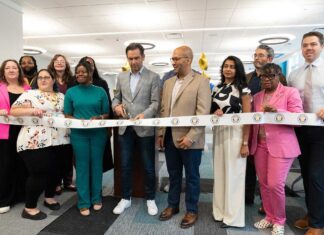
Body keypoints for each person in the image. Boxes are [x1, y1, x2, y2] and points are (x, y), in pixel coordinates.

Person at [157, 46, 211, 228]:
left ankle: (192, 210)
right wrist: (160, 132)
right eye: (172, 58)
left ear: (188, 60)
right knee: (173, 175)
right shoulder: (168, 83)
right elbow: (164, 110)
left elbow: (203, 113)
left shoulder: (201, 81)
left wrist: (192, 136)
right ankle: (172, 205)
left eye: (177, 58)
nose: (173, 62)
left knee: (192, 177)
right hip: (170, 137)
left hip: (190, 140)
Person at [10, 69, 69, 220]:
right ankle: (29, 208)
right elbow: (13, 110)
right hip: (34, 141)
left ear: (53, 79)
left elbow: (67, 114)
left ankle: (49, 197)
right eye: (40, 77)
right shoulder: (30, 94)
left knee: (56, 171)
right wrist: (32, 110)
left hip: (60, 140)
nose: (43, 80)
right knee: (39, 173)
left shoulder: (62, 96)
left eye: (47, 77)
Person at [251, 63, 303, 235]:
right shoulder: (257, 96)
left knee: (275, 185)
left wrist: (278, 111)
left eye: (270, 76)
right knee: (264, 184)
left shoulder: (290, 92)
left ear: (278, 76)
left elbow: (298, 118)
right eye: (263, 77)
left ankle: (280, 220)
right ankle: (269, 216)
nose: (266, 79)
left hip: (281, 146)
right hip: (260, 145)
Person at [112, 43, 160, 216]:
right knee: (124, 165)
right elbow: (116, 98)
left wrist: (144, 115)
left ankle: (150, 198)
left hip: (145, 128)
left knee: (148, 166)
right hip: (125, 128)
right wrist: (116, 107)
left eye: (136, 58)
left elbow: (156, 103)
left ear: (143, 57)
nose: (133, 62)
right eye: (130, 58)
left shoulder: (154, 77)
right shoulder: (121, 77)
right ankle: (125, 198)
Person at [288, 31, 324, 235]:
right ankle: (312, 213)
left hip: (322, 131)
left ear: (322, 46)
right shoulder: (295, 74)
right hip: (301, 131)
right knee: (307, 174)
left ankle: (318, 224)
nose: (309, 48)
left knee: (317, 176)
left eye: (313, 44)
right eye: (305, 45)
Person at [245, 45, 287, 214]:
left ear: (270, 58)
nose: (257, 58)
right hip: (252, 129)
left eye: (261, 55)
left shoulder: (280, 78)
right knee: (250, 166)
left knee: (271, 176)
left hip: (274, 132)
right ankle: (247, 198)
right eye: (255, 55)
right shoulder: (247, 77)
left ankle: (267, 205)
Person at [64, 62, 109, 216]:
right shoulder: (71, 92)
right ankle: (83, 202)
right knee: (82, 167)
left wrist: (100, 117)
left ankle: (97, 198)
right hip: (78, 134)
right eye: (77, 72)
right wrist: (78, 122)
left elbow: (107, 113)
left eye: (83, 72)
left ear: (91, 73)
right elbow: (67, 114)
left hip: (98, 133)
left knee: (97, 166)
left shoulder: (100, 91)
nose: (80, 74)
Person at [211, 56, 251, 228]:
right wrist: (215, 112)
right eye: (225, 66)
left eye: (232, 67)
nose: (228, 69)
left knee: (234, 176)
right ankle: (219, 212)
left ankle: (233, 217)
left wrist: (245, 143)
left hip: (236, 133)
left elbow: (248, 118)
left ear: (238, 69)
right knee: (220, 173)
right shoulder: (217, 87)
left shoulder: (244, 89)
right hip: (219, 132)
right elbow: (212, 109)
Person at [0, 59, 30, 214]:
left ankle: (21, 195)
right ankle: (4, 199)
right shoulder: (0, 87)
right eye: (7, 68)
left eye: (14, 68)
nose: (11, 70)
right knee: (5, 164)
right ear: (3, 71)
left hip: (24, 131)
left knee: (23, 162)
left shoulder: (26, 88)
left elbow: (32, 106)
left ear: (19, 71)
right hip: (5, 132)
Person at [78, 56, 114, 173]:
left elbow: (107, 107)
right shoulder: (74, 85)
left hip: (98, 128)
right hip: (79, 130)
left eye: (91, 65)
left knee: (99, 160)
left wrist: (109, 127)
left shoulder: (101, 83)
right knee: (82, 161)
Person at [48, 54, 76, 194]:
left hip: (68, 119)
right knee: (55, 152)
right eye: (57, 61)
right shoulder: (48, 77)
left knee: (68, 151)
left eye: (62, 62)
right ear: (53, 63)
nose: (59, 63)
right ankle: (56, 183)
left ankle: (68, 181)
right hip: (53, 120)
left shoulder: (71, 80)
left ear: (66, 64)